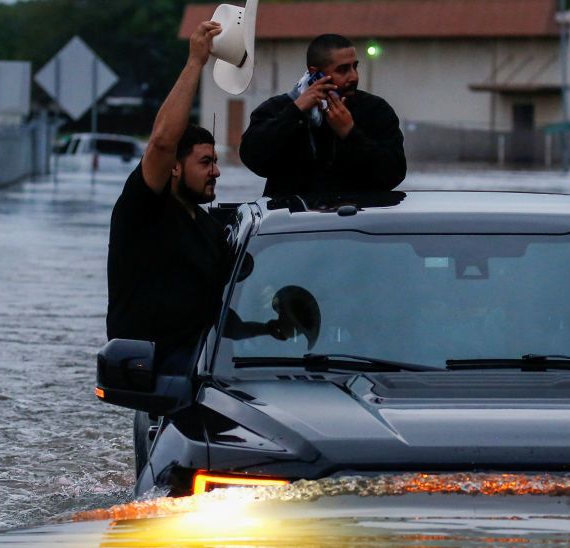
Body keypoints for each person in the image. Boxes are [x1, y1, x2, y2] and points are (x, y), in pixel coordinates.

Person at [106, 20, 231, 373]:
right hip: (153, 371)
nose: (216, 172)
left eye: (216, 162)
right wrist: (195, 62)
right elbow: (162, 142)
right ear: (174, 167)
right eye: (205, 163)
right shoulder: (143, 209)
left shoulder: (210, 229)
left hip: (208, 364)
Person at [239, 33, 406, 196]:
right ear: (315, 74)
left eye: (355, 67)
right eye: (343, 70)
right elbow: (253, 158)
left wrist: (350, 133)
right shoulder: (278, 108)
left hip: (358, 213)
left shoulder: (375, 109)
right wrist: (295, 112)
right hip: (292, 213)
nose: (353, 77)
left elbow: (394, 174)